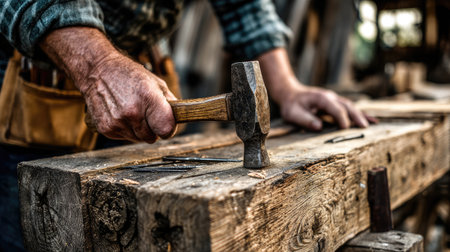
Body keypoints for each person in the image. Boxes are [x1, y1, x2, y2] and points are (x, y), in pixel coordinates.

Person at [0, 0, 370, 250]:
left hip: (142, 86)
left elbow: (242, 4)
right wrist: (97, 68)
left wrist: (286, 88)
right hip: (35, 84)